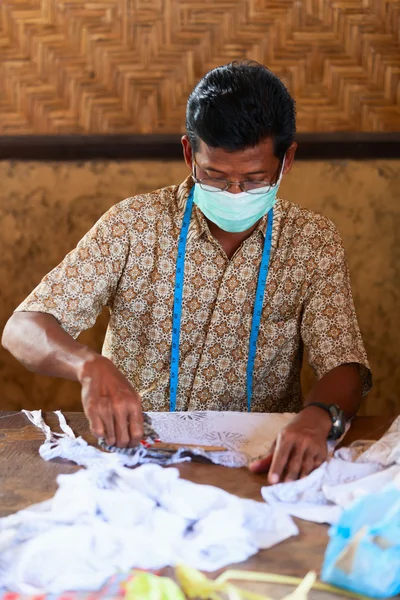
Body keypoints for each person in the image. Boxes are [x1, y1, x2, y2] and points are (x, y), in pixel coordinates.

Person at [2, 61, 371, 483]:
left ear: (286, 161)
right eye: (214, 176)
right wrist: (87, 365)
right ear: (187, 154)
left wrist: (317, 417)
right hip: (137, 460)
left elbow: (343, 364)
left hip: (259, 465)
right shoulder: (133, 225)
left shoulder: (312, 241)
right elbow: (23, 328)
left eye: (253, 180)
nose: (234, 194)